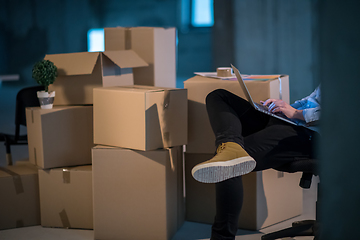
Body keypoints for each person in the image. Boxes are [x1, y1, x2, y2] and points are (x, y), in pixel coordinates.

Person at [191, 85, 321, 240]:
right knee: (219, 96)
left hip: (312, 135)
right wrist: (284, 107)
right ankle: (230, 144)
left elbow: (343, 113)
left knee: (227, 163)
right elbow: (313, 99)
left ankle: (222, 237)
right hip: (294, 122)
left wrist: (296, 113)